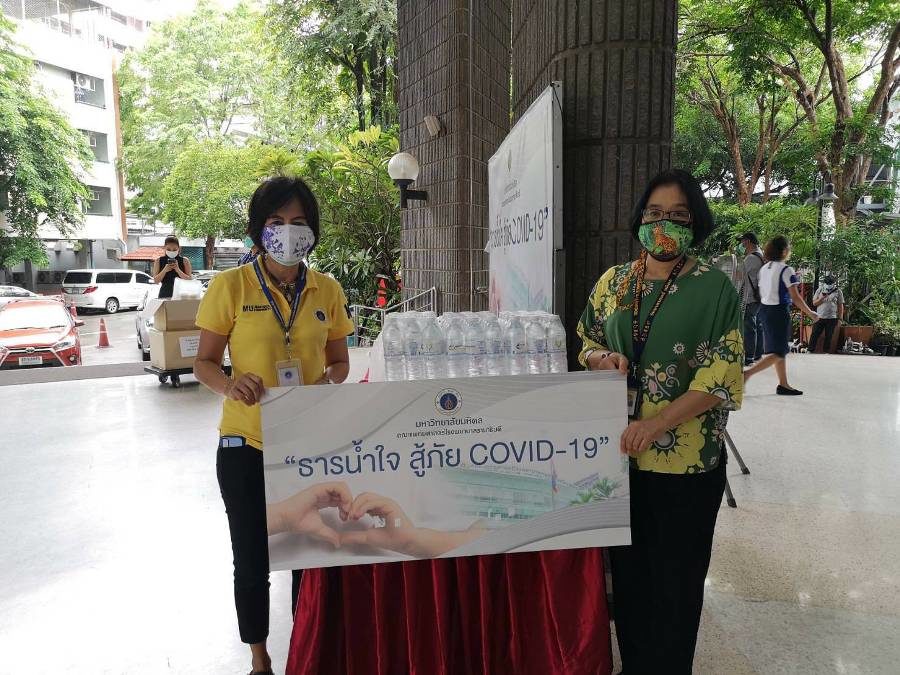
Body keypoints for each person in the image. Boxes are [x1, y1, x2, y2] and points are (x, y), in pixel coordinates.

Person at [577, 169, 744, 674]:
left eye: (678, 215)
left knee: (676, 586)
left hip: (686, 466)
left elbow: (721, 375)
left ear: (696, 223)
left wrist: (657, 424)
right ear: (639, 219)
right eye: (654, 213)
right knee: (629, 582)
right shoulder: (614, 282)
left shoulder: (714, 288)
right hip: (619, 460)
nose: (663, 224)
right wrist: (602, 359)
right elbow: (586, 340)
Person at [193, 176, 355, 675]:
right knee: (252, 558)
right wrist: (230, 384)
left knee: (310, 553)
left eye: (298, 221)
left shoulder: (327, 289)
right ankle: (260, 659)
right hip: (246, 442)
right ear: (258, 229)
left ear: (312, 230)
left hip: (306, 444)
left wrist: (326, 383)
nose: (288, 231)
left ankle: (307, 649)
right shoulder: (230, 286)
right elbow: (203, 362)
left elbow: (340, 362)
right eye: (276, 221)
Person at [743, 236, 819, 395]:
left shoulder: (764, 269)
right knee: (779, 352)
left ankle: (783, 384)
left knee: (778, 349)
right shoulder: (786, 270)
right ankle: (747, 374)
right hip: (778, 312)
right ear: (784, 251)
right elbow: (796, 297)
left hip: (764, 310)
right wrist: (810, 313)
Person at [737, 232, 764, 365]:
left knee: (749, 327)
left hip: (750, 297)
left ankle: (748, 357)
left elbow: (738, 275)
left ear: (747, 242)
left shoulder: (751, 258)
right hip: (759, 296)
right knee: (757, 325)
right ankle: (757, 354)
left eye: (742, 241)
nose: (741, 244)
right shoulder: (760, 254)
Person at [809, 274, 844, 353]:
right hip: (820, 317)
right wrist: (821, 298)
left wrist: (840, 319)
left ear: (834, 283)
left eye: (830, 283)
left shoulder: (838, 291)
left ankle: (826, 351)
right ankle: (810, 350)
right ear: (824, 283)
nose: (829, 285)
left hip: (832, 318)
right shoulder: (820, 290)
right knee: (814, 334)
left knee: (829, 336)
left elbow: (840, 306)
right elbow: (814, 303)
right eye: (827, 283)